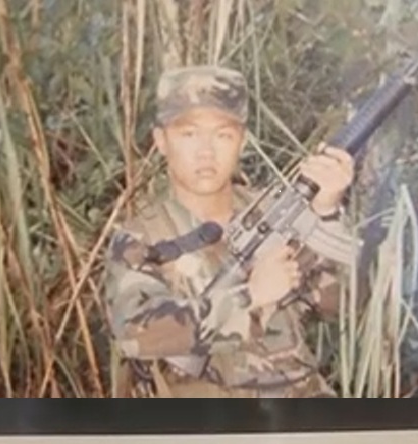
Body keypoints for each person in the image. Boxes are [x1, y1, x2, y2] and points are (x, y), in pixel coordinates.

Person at [104, 65, 360, 398]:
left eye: (223, 134)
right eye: (189, 134)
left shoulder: (277, 211)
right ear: (161, 141)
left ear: (242, 141)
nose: (206, 151)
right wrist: (250, 296)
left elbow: (343, 305)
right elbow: (136, 335)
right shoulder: (139, 238)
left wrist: (326, 212)